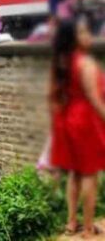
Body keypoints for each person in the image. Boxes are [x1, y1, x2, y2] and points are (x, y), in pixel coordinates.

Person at [50, 17, 105, 238]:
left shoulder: (62, 63)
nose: (88, 36)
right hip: (86, 122)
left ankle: (72, 223)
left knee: (74, 175)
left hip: (68, 121)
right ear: (73, 38)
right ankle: (89, 228)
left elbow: (54, 96)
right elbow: (94, 99)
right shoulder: (86, 64)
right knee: (90, 176)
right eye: (83, 32)